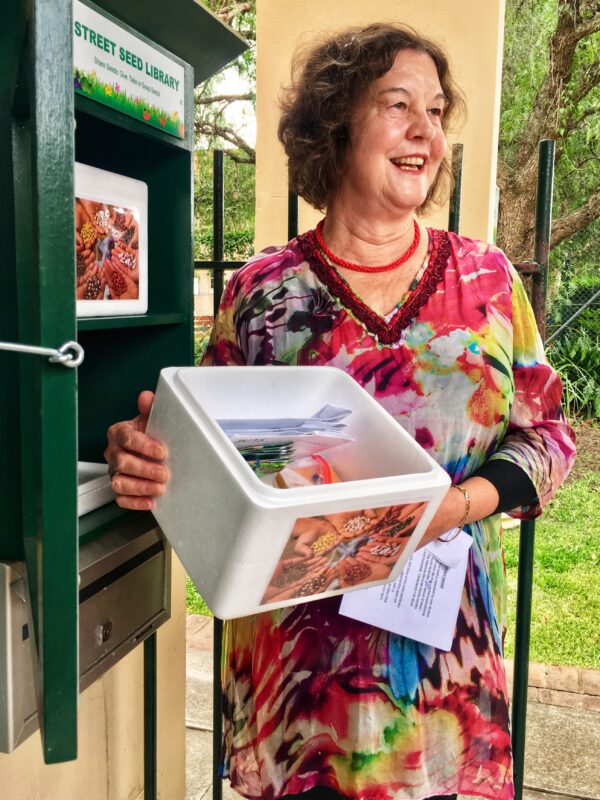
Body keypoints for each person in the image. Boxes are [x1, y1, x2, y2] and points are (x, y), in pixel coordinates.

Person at [105, 23, 576, 800]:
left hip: (437, 683)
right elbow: (204, 455)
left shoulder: (487, 281)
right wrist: (151, 451)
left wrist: (452, 506)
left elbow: (549, 435)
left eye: (435, 110)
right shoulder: (262, 294)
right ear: (337, 123)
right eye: (399, 104)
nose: (426, 129)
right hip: (300, 686)